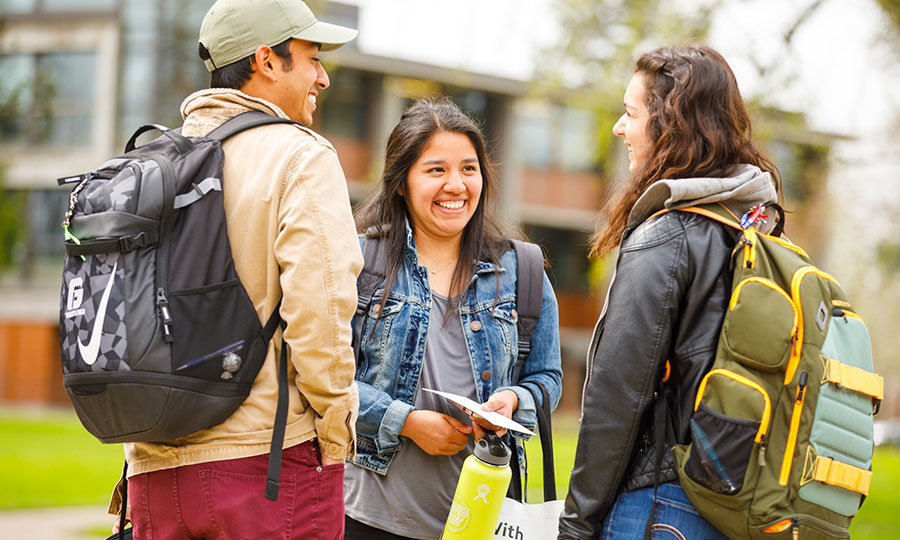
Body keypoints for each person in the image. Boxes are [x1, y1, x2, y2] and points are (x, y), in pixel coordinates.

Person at [111, 1, 363, 539]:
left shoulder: (153, 161)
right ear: (267, 60)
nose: (322, 76)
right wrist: (337, 436)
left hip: (152, 471)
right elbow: (321, 315)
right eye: (312, 58)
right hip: (270, 467)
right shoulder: (300, 156)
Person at [558, 45, 782, 540]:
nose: (620, 128)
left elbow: (616, 398)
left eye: (629, 113)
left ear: (669, 126)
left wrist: (575, 525)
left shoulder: (667, 236)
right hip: (732, 504)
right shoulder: (757, 229)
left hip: (658, 505)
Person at [343, 98, 563, 540]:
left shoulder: (523, 271)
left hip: (484, 518)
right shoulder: (359, 261)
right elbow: (324, 380)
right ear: (402, 182)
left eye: (468, 168)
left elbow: (547, 378)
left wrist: (514, 401)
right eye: (436, 170)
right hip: (369, 517)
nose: (456, 185)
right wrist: (405, 421)